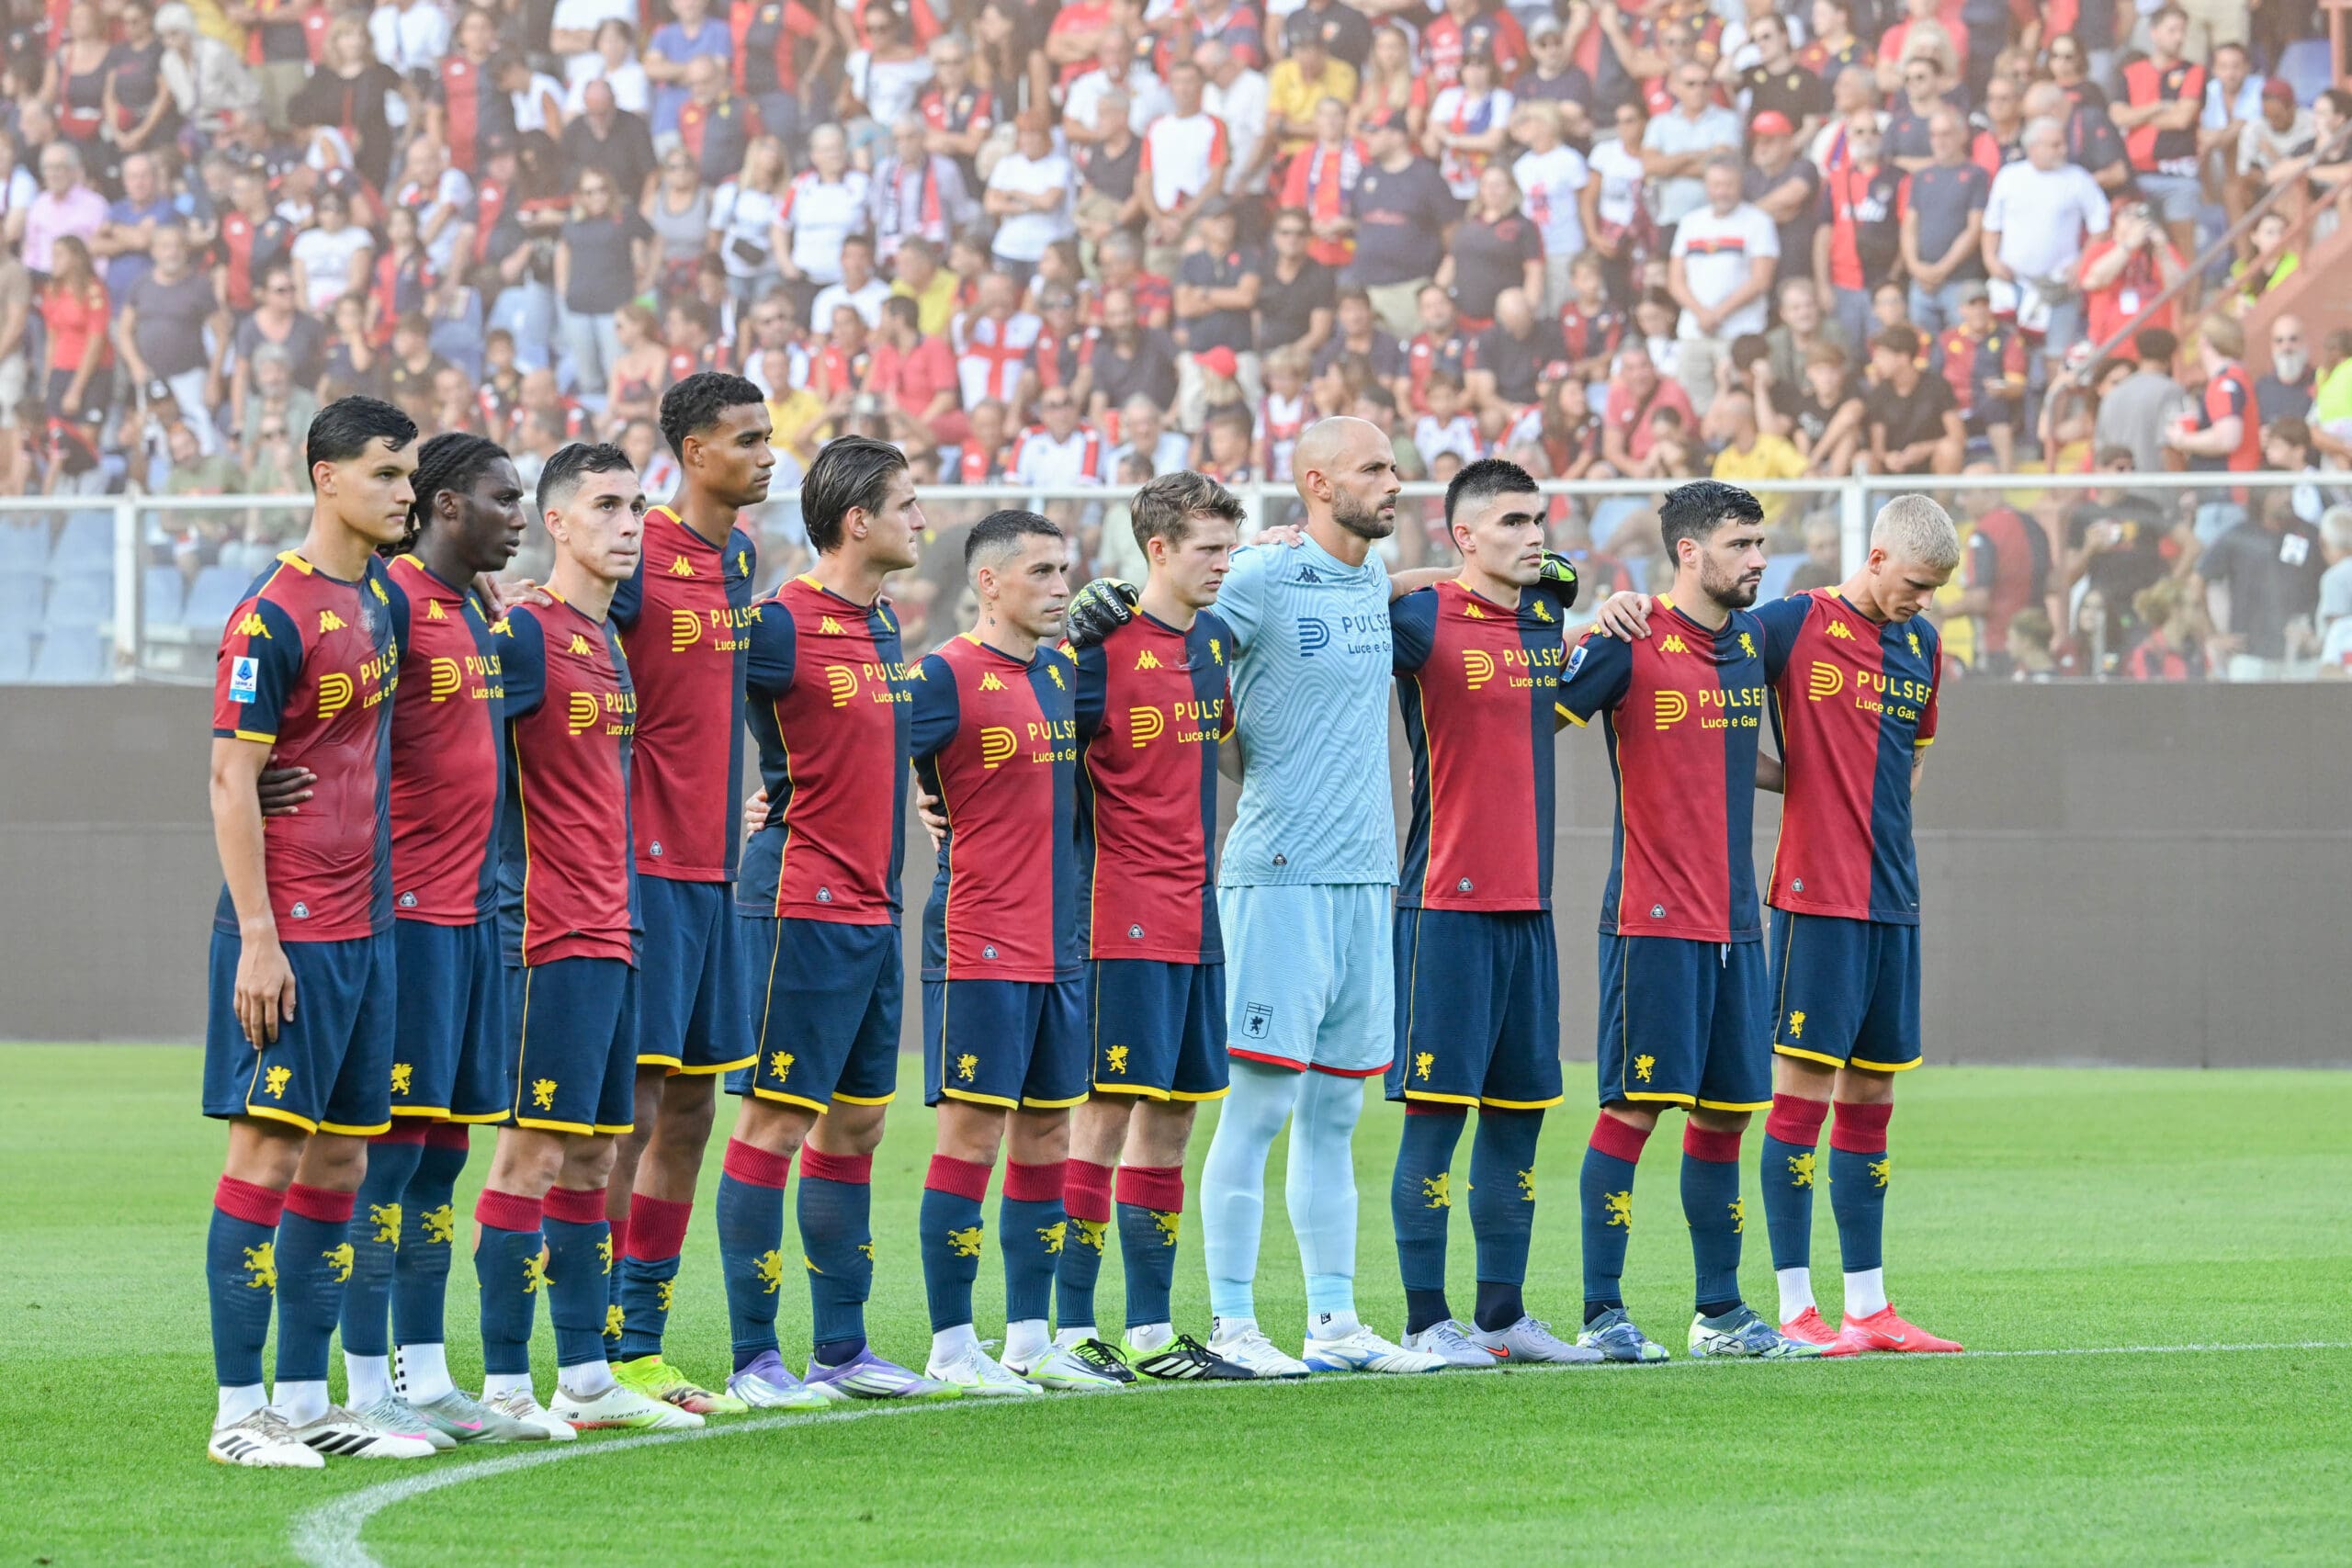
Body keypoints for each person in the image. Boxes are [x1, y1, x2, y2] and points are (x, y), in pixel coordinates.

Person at [1068, 417, 1447, 1377]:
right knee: (1260, 1106)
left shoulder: (1366, 575)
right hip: (1279, 872)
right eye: (1374, 468)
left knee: (1336, 1116)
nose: (1394, 481)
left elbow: (1390, 587)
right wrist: (1104, 603)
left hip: (1366, 874)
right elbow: (1167, 638)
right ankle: (1233, 1319)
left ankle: (1335, 1324)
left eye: (1394, 466)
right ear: (1317, 482)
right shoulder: (1258, 576)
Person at [253, 434, 542, 1447]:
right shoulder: (391, 599)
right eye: (503, 497)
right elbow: (287, 656)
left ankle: (425, 1376)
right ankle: (362, 1380)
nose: (520, 516)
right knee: (385, 1157)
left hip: (473, 918)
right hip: (404, 914)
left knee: (443, 1154)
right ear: (445, 506)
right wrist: (260, 770)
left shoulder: (471, 611)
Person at [199, 395, 439, 1468]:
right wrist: (257, 936)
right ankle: (237, 1414)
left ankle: (304, 1402)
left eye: (410, 474)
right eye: (386, 473)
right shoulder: (271, 616)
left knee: (340, 1159)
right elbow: (229, 779)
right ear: (325, 477)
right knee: (266, 1150)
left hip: (367, 927)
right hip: (289, 932)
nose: (404, 492)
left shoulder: (380, 598)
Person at [1552, 478, 1822, 1364]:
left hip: (1737, 925)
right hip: (1652, 921)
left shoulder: (1752, 639)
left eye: (1761, 543)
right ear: (1689, 553)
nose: (1759, 560)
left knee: (1725, 1118)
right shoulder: (1626, 641)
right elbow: (1532, 717)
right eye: (1741, 545)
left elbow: (1743, 746)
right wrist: (1592, 615)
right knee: (1632, 1111)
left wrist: (1812, 775)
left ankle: (1720, 1313)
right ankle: (1601, 1312)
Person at [712, 436, 956, 1402]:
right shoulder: (777, 623)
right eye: (906, 505)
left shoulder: (882, 622)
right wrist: (736, 806)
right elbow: (681, 705)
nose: (922, 520)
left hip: (871, 907)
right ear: (857, 521)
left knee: (855, 1127)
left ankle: (843, 1352)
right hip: (796, 905)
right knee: (773, 1125)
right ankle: (752, 1358)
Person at [471, 440, 697, 1436]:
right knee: (529, 1154)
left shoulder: (604, 641)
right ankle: (502, 1386)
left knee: (597, 1157)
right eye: (605, 506)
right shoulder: (522, 633)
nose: (629, 524)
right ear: (554, 523)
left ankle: (587, 1379)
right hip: (545, 927)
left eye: (637, 506)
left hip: (616, 924)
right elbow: (447, 756)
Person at [902, 510, 1124, 1395]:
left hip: (1058, 943)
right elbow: (858, 750)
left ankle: (1030, 1339)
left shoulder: (1066, 672)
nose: (1061, 586)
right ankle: (952, 1346)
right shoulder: (941, 675)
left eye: (1064, 570)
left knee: (1047, 1133)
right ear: (988, 582)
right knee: (973, 1134)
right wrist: (775, 796)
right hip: (978, 939)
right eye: (1041, 571)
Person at [1383, 457, 1599, 1367]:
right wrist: (1428, 572)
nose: (1533, 534)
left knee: (1519, 1116)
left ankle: (1501, 1317)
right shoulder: (1420, 617)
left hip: (1528, 909)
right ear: (1463, 535)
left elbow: (1575, 608)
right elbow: (1342, 604)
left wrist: (1616, 611)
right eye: (1511, 521)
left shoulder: (1545, 616)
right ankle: (1423, 1321)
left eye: (1537, 519)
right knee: (1435, 1118)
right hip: (1444, 905)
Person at [1046, 472, 1256, 1381]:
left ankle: (1148, 1331)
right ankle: (1066, 1331)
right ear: (1158, 549)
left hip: (1195, 915)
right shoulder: (1094, 649)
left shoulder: (1213, 642)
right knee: (1099, 1122)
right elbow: (1016, 738)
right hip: (1116, 918)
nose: (1222, 565)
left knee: (1170, 1122)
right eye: (1208, 549)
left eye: (1230, 548)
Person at [602, 374, 770, 1417]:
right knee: (630, 1109)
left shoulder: (740, 558)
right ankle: (594, 1348)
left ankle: (643, 1343)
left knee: (695, 1107)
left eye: (768, 436)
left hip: (715, 868)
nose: (767, 455)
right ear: (693, 453)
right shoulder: (635, 553)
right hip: (643, 864)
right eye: (746, 440)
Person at [1668, 154, 1779, 412]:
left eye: (1728, 184)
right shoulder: (1690, 222)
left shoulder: (1758, 222)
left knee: (1738, 407)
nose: (1722, 191)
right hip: (1693, 333)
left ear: (1740, 184)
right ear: (1706, 186)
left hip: (1739, 334)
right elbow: (1675, 280)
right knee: (1694, 408)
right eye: (1716, 184)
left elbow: (1761, 279)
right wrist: (1701, 314)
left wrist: (1717, 314)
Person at [1865, 325, 1963, 475]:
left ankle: (1943, 492)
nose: (1876, 362)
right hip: (1893, 468)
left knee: (1949, 449)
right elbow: (1878, 448)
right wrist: (1888, 457)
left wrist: (1925, 449)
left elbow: (1957, 436)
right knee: (1863, 459)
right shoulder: (1879, 393)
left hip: (1933, 463)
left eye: (1882, 356)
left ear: (1903, 358)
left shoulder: (1937, 386)